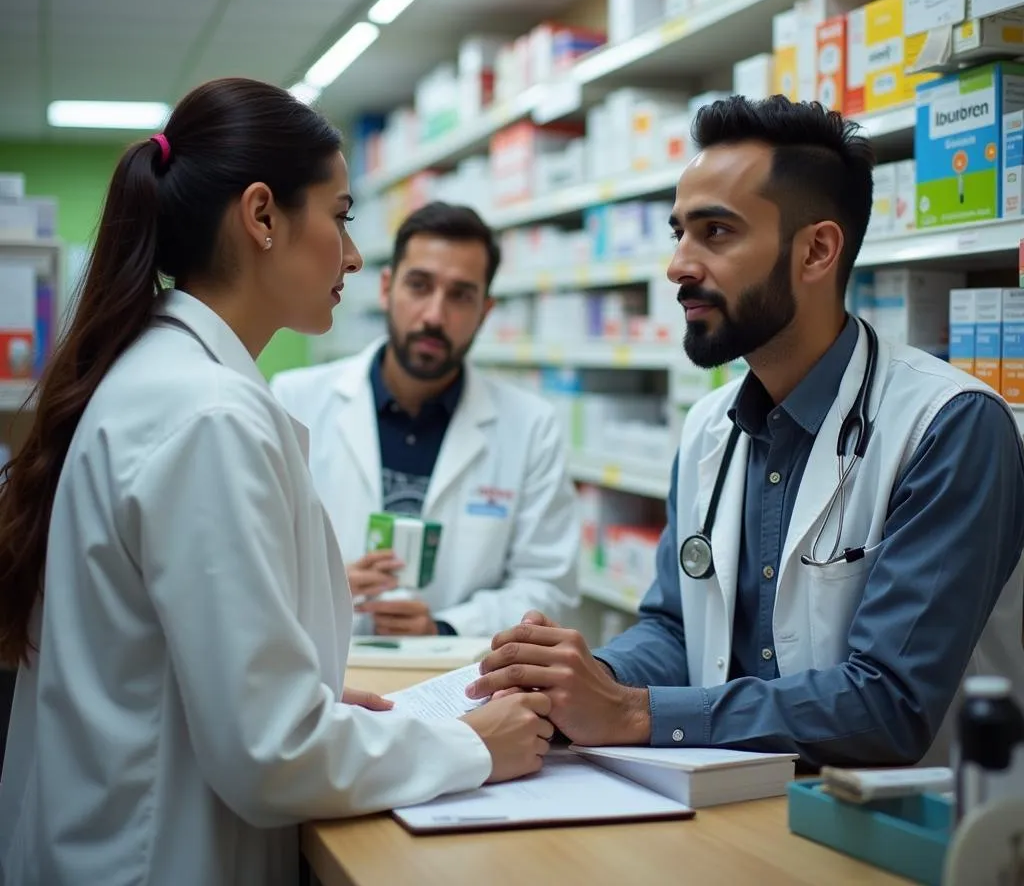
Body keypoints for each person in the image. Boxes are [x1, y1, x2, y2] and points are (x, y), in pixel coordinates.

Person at [0, 78, 554, 886]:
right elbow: (271, 755)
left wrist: (319, 708)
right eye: (340, 216)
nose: (355, 256)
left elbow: (221, 693)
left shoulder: (167, 379)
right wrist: (474, 743)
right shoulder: (208, 416)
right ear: (262, 216)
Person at [467, 95, 1024, 769]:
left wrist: (630, 712)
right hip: (732, 806)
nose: (678, 265)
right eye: (679, 232)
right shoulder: (710, 425)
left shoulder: (949, 427)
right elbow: (677, 627)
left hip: (905, 842)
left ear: (817, 250)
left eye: (717, 233)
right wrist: (579, 684)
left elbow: (889, 705)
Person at [270, 202, 579, 638]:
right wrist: (322, 586)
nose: (434, 315)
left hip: (458, 683)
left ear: (485, 312)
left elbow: (550, 586)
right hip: (321, 672)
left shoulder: (530, 427)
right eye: (419, 285)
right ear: (386, 288)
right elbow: (252, 558)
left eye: (460, 295)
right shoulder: (294, 399)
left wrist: (446, 626)